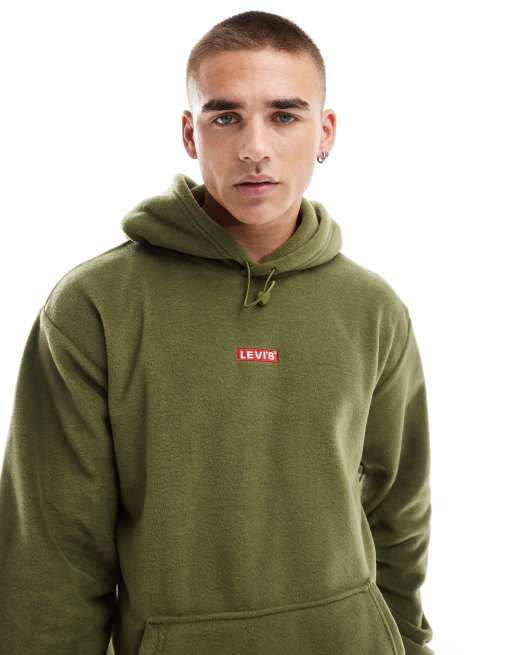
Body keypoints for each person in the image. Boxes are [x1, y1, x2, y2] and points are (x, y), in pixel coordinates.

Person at [0, 10, 436, 655]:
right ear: (190, 132)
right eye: (226, 116)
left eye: (284, 115)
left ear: (324, 132)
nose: (255, 147)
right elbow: (53, 551)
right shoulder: (95, 306)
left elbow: (399, 516)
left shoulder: (373, 308)